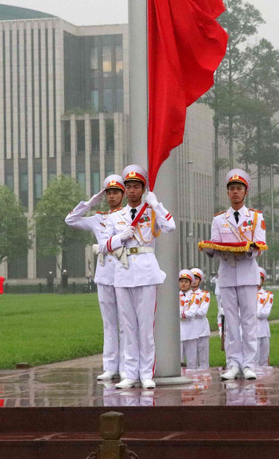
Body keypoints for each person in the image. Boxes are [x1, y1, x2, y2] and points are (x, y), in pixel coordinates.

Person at [97, 163, 175, 390]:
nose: (131, 191)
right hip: (122, 273)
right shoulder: (116, 216)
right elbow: (103, 246)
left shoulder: (151, 212)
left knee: (145, 327)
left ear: (143, 189)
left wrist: (156, 205)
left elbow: (170, 226)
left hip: (146, 271)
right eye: (128, 187)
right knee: (128, 326)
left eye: (136, 187)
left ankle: (146, 372)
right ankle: (130, 373)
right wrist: (120, 237)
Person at [201, 169, 266, 381]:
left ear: (245, 192)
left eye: (239, 189)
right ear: (227, 193)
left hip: (247, 273)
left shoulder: (256, 217)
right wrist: (210, 248)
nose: (235, 193)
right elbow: (213, 244)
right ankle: (233, 363)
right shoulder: (220, 219)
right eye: (232, 189)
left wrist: (245, 249)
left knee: (248, 320)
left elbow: (259, 245)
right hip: (227, 274)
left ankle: (249, 364)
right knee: (230, 321)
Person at [66, 174, 125, 381]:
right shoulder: (98, 218)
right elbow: (70, 220)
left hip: (124, 272)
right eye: (108, 193)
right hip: (104, 274)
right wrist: (90, 203)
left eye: (115, 192)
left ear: (122, 194)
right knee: (109, 323)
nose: (111, 196)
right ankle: (110, 366)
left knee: (125, 323)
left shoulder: (128, 214)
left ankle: (127, 366)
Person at [190, 268, 211, 368]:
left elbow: (202, 312)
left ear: (200, 280)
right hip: (188, 328)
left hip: (201, 327)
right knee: (191, 358)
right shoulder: (183, 294)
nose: (194, 281)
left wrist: (188, 313)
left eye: (196, 278)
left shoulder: (204, 294)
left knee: (203, 358)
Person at [178, 270, 199, 367]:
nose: (183, 284)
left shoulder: (195, 296)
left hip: (191, 329)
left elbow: (192, 312)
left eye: (186, 282)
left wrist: (181, 315)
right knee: (178, 359)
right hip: (178, 329)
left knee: (191, 360)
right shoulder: (174, 296)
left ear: (190, 283)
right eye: (181, 281)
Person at [255, 267, 274, 367]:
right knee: (254, 359)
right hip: (250, 330)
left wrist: (253, 312)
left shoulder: (268, 295)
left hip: (263, 329)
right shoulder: (245, 294)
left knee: (264, 359)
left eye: (260, 278)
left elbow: (265, 313)